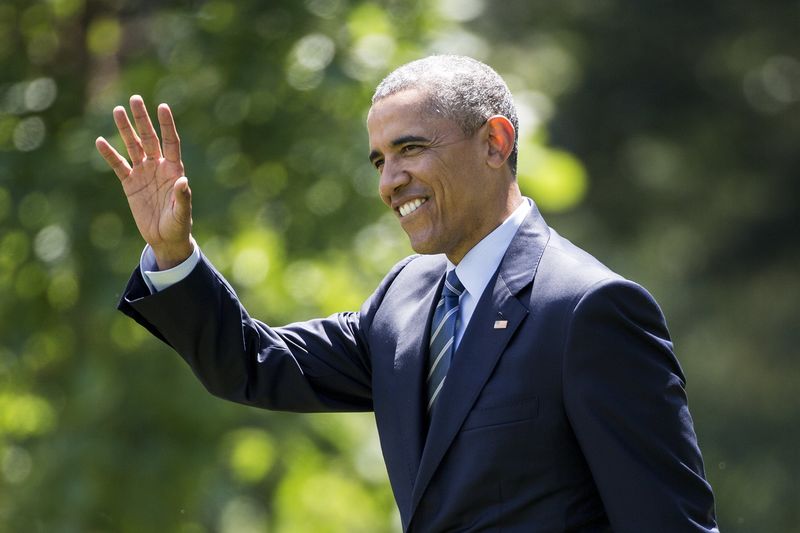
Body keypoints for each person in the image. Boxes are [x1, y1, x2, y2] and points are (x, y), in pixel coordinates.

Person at [96, 55, 718, 532]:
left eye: (411, 149)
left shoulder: (590, 310)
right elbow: (254, 366)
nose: (391, 181)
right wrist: (173, 254)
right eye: (378, 161)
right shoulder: (404, 296)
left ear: (494, 144)